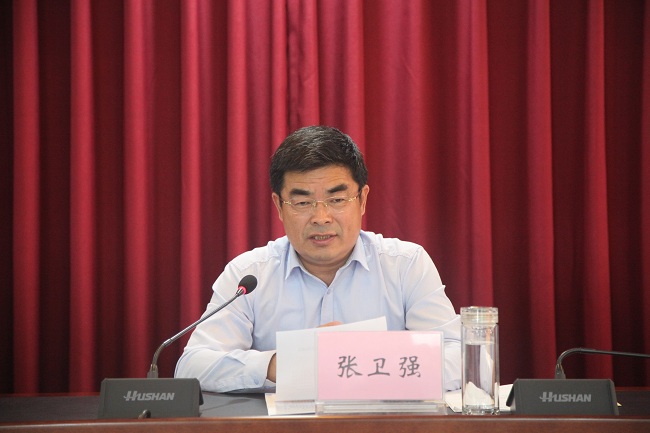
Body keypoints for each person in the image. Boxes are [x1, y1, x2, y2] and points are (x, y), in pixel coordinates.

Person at [175, 125, 461, 392]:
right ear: (279, 206)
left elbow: (460, 357)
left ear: (362, 200)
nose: (321, 218)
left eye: (337, 200)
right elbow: (192, 367)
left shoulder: (405, 265)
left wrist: (368, 361)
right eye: (302, 202)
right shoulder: (249, 275)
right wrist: (281, 363)